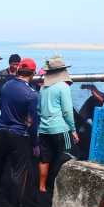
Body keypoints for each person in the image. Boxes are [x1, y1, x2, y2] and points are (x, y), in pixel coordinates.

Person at [0, 58, 39, 206]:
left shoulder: (6, 86)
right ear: (33, 73)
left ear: (18, 71)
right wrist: (35, 143)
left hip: (1, 131)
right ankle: (14, 204)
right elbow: (31, 122)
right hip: (19, 135)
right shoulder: (32, 94)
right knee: (18, 171)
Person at [36, 55, 79, 193]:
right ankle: (59, 188)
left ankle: (42, 187)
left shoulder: (43, 88)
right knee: (67, 156)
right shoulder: (63, 87)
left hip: (43, 129)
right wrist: (73, 130)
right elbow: (67, 111)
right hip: (60, 129)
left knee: (44, 159)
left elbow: (38, 109)